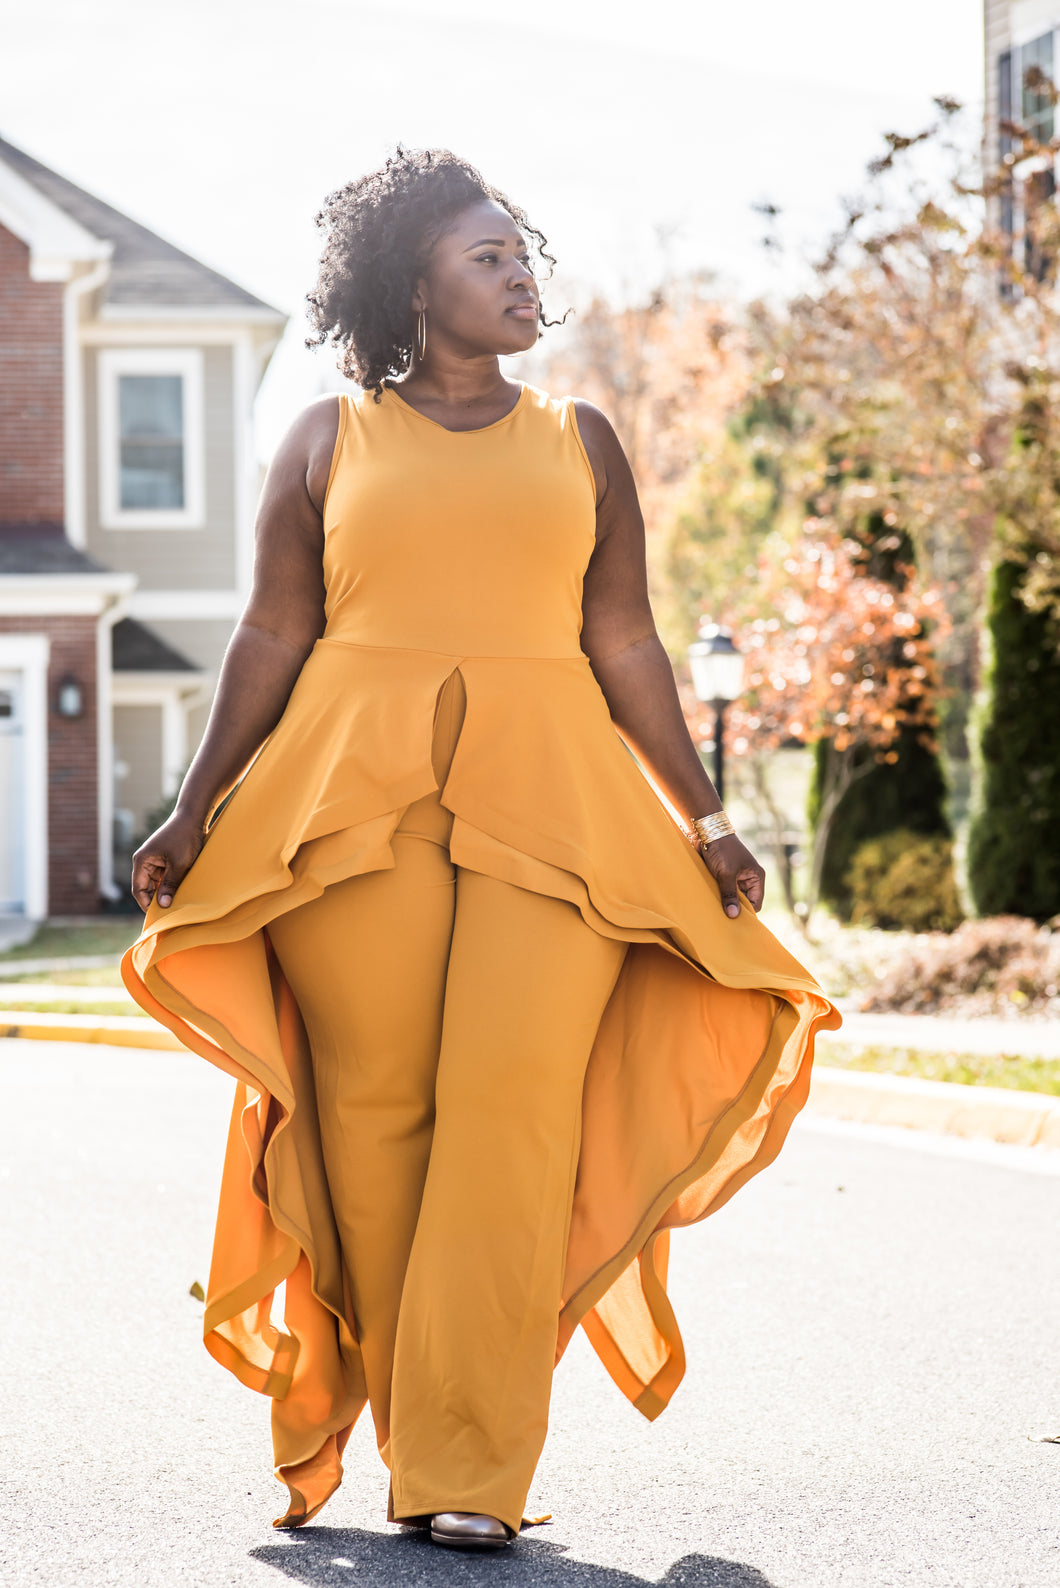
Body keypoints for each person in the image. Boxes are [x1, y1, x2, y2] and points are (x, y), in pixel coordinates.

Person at [123, 147, 840, 1553]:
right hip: (344, 804)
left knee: (514, 1112)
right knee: (376, 1119)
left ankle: (471, 1468)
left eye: (525, 255)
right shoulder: (328, 439)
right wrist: (194, 805)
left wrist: (704, 815)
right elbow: (273, 633)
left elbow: (623, 636)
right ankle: (424, 1436)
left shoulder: (580, 442)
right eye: (488, 256)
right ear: (414, 285)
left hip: (556, 801)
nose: (523, 277)